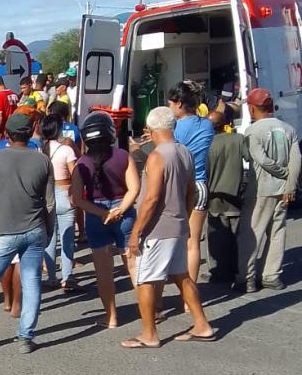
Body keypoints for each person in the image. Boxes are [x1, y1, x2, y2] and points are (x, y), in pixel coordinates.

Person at [123, 106, 214, 347]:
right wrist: (184, 216)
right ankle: (202, 324)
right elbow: (190, 191)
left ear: (151, 129)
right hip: (178, 224)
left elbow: (152, 199)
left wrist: (136, 233)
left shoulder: (157, 156)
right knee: (182, 277)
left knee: (145, 280)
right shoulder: (185, 152)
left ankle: (149, 333)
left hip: (157, 229)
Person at [0, 112, 55, 354]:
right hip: (35, 229)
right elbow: (50, 204)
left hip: (4, 231)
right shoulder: (43, 161)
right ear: (30, 133)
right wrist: (48, 230)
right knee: (32, 282)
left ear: (7, 133)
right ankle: (25, 337)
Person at [70, 112, 140, 328]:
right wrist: (119, 210)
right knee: (133, 264)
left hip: (95, 215)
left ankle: (111, 317)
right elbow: (134, 189)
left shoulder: (81, 164)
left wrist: (103, 214)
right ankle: (152, 309)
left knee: (103, 270)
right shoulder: (123, 156)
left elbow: (76, 199)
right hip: (124, 214)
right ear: (111, 133)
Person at [237, 87, 301, 292]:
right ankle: (272, 276)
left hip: (261, 190)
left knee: (252, 233)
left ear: (252, 108)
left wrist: (281, 172)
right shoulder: (288, 129)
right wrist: (290, 183)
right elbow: (296, 160)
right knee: (277, 232)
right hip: (283, 190)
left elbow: (257, 158)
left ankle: (247, 279)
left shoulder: (252, 131)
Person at [168, 81, 214, 285]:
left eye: (170, 103)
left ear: (178, 104)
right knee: (193, 241)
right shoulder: (206, 124)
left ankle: (177, 286)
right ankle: (191, 294)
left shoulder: (176, 129)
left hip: (180, 186)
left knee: (173, 241)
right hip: (201, 184)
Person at [205, 110, 246, 284]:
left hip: (214, 198)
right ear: (224, 124)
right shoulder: (238, 139)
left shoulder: (206, 144)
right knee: (237, 237)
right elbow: (249, 158)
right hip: (235, 195)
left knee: (216, 238)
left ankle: (219, 272)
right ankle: (237, 268)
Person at [40, 114, 78, 291]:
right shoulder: (66, 150)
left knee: (49, 238)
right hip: (65, 192)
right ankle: (67, 276)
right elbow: (75, 174)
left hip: (46, 195)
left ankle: (52, 277)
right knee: (67, 238)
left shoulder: (40, 150)